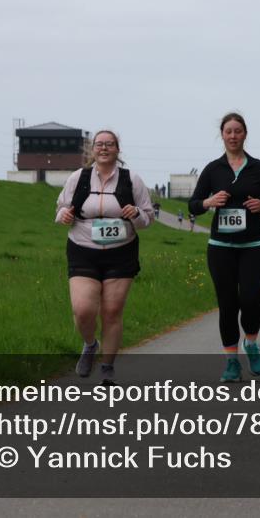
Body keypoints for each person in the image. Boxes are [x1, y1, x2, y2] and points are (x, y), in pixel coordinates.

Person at [55, 130, 154, 386]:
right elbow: (61, 208)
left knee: (112, 311)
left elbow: (148, 218)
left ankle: (107, 368)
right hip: (82, 248)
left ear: (117, 150)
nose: (104, 148)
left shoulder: (132, 179)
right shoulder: (78, 177)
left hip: (121, 251)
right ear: (92, 150)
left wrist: (135, 215)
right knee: (83, 310)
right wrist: (64, 215)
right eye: (99, 144)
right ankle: (90, 344)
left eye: (109, 144)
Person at [189, 113, 260, 382]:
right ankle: (231, 362)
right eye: (228, 131)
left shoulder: (259, 167)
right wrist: (209, 202)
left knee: (251, 300)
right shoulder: (213, 169)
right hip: (221, 247)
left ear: (245, 134)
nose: (233, 135)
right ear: (222, 134)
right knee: (227, 305)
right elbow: (193, 205)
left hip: (253, 245)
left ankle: (251, 344)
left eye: (237, 131)